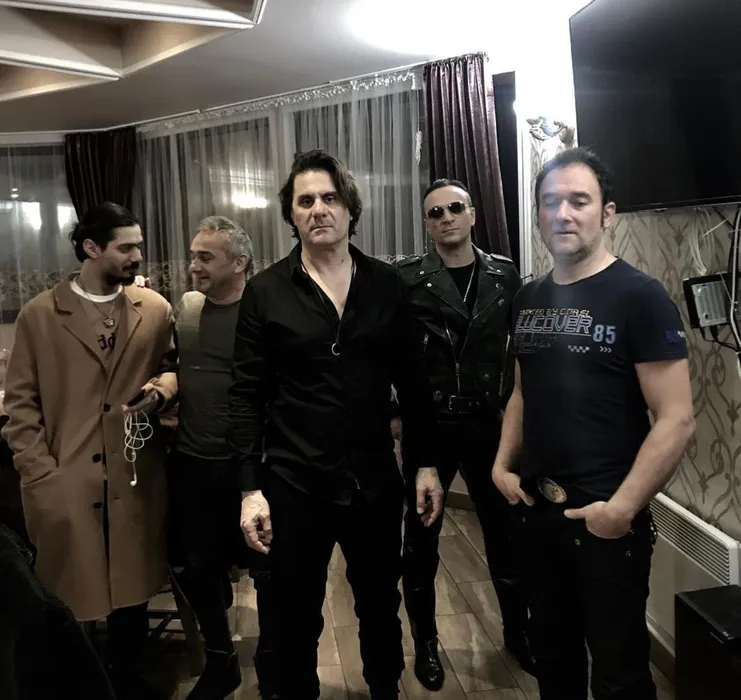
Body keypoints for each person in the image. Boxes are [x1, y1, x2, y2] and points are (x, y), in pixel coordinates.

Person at [229, 149, 443, 700]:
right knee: (293, 612)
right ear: (291, 214)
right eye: (305, 201)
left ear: (350, 208)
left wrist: (425, 464)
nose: (318, 209)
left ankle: (384, 690)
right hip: (295, 480)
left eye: (330, 197)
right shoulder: (266, 291)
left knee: (379, 603)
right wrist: (250, 489)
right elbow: (246, 394)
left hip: (373, 478)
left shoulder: (387, 285)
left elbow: (414, 383)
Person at [492, 147, 695, 700]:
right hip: (536, 515)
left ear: (607, 213)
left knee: (619, 673)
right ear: (538, 214)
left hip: (606, 523)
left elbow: (676, 418)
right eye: (550, 202)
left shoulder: (640, 297)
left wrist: (621, 510)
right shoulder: (527, 297)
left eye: (578, 201)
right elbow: (522, 392)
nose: (563, 214)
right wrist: (502, 465)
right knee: (552, 658)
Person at [2, 202, 178, 700]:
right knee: (71, 592)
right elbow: (20, 402)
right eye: (126, 248)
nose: (138, 256)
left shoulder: (155, 310)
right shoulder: (40, 315)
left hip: (134, 474)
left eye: (139, 246)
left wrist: (163, 389)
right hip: (66, 477)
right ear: (90, 248)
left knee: (131, 586)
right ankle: (80, 684)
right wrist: (41, 474)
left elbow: (172, 367)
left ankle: (127, 677)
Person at [395, 178, 533, 690]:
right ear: (427, 224)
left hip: (489, 424)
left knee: (506, 535)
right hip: (429, 426)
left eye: (455, 208)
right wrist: (395, 412)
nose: (446, 217)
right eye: (435, 212)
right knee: (421, 541)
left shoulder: (504, 275)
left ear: (473, 214)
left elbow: (518, 352)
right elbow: (393, 354)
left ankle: (518, 633)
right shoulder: (407, 280)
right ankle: (427, 643)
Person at [168, 215, 276, 700]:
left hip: (252, 466)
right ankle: (220, 660)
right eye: (193, 256)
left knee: (268, 571)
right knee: (196, 567)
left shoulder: (263, 315)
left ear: (239, 263)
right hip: (193, 462)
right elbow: (176, 366)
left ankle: (273, 663)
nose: (193, 266)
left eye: (205, 257)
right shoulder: (187, 308)